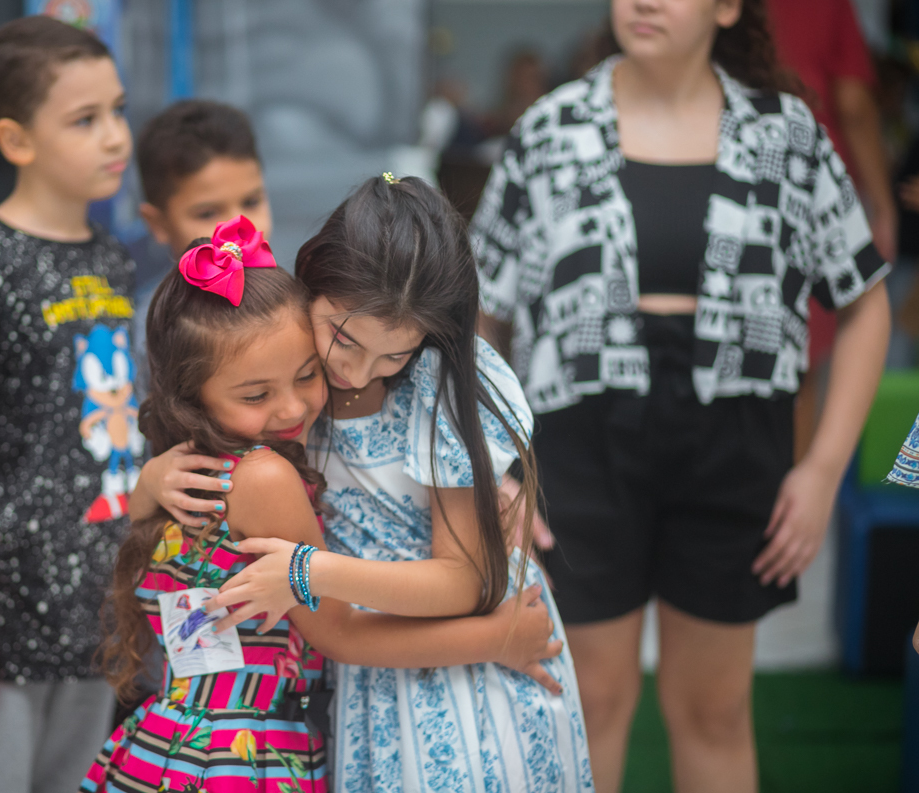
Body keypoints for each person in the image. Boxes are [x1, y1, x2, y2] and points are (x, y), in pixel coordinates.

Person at [471, 1, 892, 791]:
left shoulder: (786, 135)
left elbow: (867, 301)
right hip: (581, 446)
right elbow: (480, 317)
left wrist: (824, 467)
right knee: (587, 699)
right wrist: (498, 467)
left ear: (728, 7)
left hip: (736, 443)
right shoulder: (549, 130)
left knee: (715, 710)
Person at [139, 178, 592, 792]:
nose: (352, 369)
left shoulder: (438, 388)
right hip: (371, 664)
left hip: (473, 659)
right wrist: (151, 477)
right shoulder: (287, 364)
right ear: (311, 281)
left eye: (392, 356)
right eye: (343, 338)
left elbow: (465, 580)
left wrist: (308, 571)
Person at [0, 16, 138, 793]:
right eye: (86, 119)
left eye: (118, 110)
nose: (115, 136)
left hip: (92, 626)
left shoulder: (113, 260)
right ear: (16, 141)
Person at [765, 0, 896, 458]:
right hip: (799, 196)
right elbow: (853, 104)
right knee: (797, 373)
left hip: (722, 179)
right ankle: (788, 519)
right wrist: (882, 205)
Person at [129, 99, 273, 374]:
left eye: (252, 202)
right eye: (207, 214)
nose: (239, 228)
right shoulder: (151, 332)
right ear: (157, 223)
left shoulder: (299, 300)